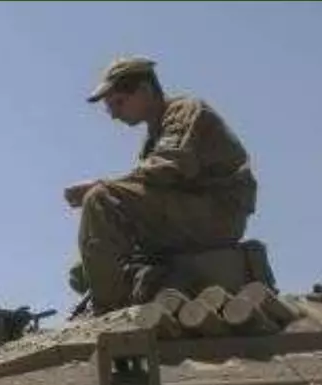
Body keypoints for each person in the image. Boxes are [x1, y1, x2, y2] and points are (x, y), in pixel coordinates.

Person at [63, 57, 257, 314]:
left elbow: (169, 167)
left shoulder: (185, 111)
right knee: (83, 271)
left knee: (101, 200)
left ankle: (110, 312)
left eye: (119, 103)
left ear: (144, 90)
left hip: (216, 213)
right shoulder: (155, 134)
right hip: (189, 215)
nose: (114, 115)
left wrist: (101, 186)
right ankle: (141, 292)